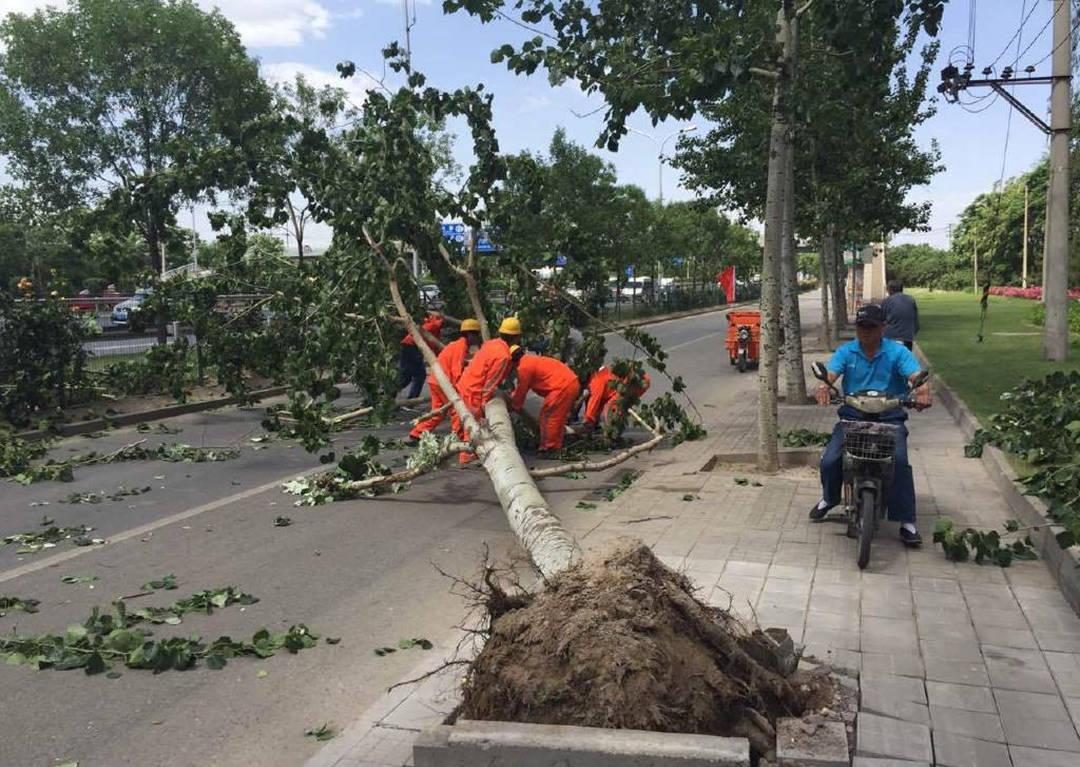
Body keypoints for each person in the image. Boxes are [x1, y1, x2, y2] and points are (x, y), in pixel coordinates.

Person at [809, 304, 932, 546]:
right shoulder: (847, 352)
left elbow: (915, 376)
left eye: (871, 327)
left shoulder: (897, 353)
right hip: (853, 417)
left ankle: (906, 522)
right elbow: (831, 375)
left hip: (889, 418)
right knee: (830, 459)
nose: (865, 331)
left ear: (882, 328)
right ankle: (829, 498)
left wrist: (922, 392)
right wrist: (824, 387)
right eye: (861, 327)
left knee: (898, 460)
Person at [454, 317, 524, 464]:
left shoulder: (492, 343)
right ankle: (467, 456)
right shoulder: (503, 357)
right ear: (517, 337)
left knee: (464, 419)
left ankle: (461, 446)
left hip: (466, 382)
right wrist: (484, 403)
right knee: (474, 423)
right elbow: (490, 383)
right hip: (474, 389)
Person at [408, 318, 482, 442]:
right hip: (442, 382)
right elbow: (456, 371)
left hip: (436, 380)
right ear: (470, 334)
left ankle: (417, 433)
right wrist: (462, 390)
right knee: (457, 410)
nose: (477, 338)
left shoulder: (458, 345)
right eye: (476, 335)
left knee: (438, 412)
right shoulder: (460, 347)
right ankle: (459, 438)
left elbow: (458, 364)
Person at [510, 353, 581, 453]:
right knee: (557, 417)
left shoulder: (524, 368)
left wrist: (513, 405)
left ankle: (550, 447)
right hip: (568, 383)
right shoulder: (529, 360)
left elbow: (521, 390)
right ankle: (558, 441)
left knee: (548, 416)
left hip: (561, 387)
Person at [582, 365, 652, 431]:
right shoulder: (601, 375)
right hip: (639, 380)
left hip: (635, 382)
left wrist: (588, 419)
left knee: (613, 408)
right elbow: (600, 402)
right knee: (621, 406)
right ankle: (613, 429)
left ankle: (612, 432)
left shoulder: (595, 381)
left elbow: (594, 400)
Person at [399, 311, 444, 399]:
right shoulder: (433, 325)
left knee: (406, 377)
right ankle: (411, 400)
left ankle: (387, 396)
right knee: (419, 375)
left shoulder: (435, 329)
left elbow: (435, 347)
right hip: (412, 346)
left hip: (408, 346)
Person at [881, 280, 919, 350]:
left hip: (890, 337)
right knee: (905, 358)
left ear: (890, 290)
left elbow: (881, 319)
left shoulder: (887, 301)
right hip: (907, 337)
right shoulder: (911, 300)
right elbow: (916, 322)